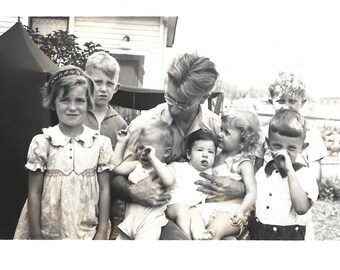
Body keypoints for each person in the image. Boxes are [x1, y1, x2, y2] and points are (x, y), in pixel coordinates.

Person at [110, 52, 247, 239]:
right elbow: (115, 177)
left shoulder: (217, 129)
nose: (173, 109)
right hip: (150, 220)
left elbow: (251, 178)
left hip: (201, 217)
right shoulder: (146, 125)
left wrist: (238, 188)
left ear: (204, 97)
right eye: (169, 98)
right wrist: (133, 192)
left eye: (183, 104)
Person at [13, 65, 114, 240]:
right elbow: (34, 192)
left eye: (79, 101)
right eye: (65, 100)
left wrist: (102, 230)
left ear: (88, 102)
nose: (72, 107)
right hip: (49, 231)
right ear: (53, 102)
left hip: (86, 231)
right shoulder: (43, 142)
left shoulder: (100, 144)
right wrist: (36, 235)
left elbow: (105, 189)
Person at [253, 71, 328, 240]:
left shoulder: (312, 136)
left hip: (295, 202)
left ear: (303, 102)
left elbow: (315, 178)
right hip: (267, 204)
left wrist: (294, 179)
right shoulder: (263, 133)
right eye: (280, 100)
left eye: (292, 101)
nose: (286, 106)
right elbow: (257, 169)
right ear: (271, 101)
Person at [253, 109, 319, 240]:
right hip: (262, 233)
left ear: (302, 147)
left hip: (291, 236)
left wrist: (290, 171)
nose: (284, 153)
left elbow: (301, 208)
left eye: (291, 148)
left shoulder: (304, 175)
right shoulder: (263, 173)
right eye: (277, 146)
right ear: (267, 144)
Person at [83, 51, 128, 235]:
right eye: (97, 82)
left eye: (109, 84)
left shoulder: (121, 124)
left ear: (116, 88)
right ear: (86, 81)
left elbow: (120, 163)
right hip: (77, 189)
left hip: (106, 195)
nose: (103, 88)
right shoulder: (76, 115)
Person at [199, 108, 260, 240]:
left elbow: (252, 192)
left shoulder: (243, 163)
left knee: (213, 232)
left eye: (227, 133)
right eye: (221, 129)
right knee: (193, 226)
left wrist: (242, 211)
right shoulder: (214, 154)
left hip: (231, 211)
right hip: (208, 207)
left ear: (243, 140)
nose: (220, 134)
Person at [112, 120, 175, 240]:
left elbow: (168, 181)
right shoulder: (136, 165)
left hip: (149, 226)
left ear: (166, 152)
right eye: (141, 147)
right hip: (129, 223)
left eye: (149, 150)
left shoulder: (165, 170)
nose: (144, 152)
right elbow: (115, 167)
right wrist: (121, 143)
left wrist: (153, 159)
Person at [166, 130, 217, 240]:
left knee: (196, 214)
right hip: (174, 204)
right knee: (183, 211)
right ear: (188, 154)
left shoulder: (211, 173)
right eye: (199, 150)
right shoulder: (178, 167)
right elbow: (166, 175)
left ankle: (199, 236)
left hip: (193, 207)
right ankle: (187, 238)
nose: (205, 154)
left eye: (211, 152)